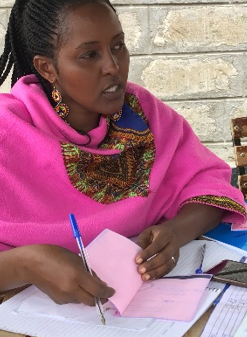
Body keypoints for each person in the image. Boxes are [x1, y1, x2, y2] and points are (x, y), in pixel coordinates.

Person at [0, 0, 245, 307]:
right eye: (90, 54)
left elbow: (210, 186)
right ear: (47, 68)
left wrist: (175, 231)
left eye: (118, 46)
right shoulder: (8, 133)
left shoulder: (141, 112)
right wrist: (24, 264)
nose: (113, 67)